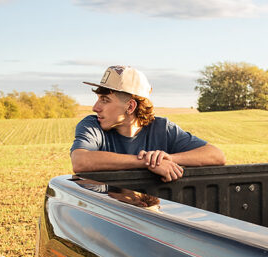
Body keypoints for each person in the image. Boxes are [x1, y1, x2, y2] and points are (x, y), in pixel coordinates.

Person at [71, 65, 225, 181]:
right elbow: (80, 161)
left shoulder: (162, 128)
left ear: (130, 107)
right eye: (98, 99)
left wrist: (167, 159)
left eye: (105, 100)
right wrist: (146, 161)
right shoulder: (92, 125)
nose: (95, 108)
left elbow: (216, 155)